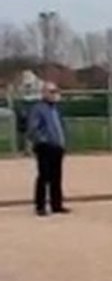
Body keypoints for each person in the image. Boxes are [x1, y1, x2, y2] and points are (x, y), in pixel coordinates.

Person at [27, 83, 70, 216]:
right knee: (44, 176)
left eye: (56, 91)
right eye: (51, 92)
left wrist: (62, 142)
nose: (55, 94)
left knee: (56, 177)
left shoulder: (56, 109)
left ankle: (56, 205)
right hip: (45, 147)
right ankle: (40, 206)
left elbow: (60, 126)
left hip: (57, 147)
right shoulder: (38, 109)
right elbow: (33, 128)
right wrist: (43, 140)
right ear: (44, 93)